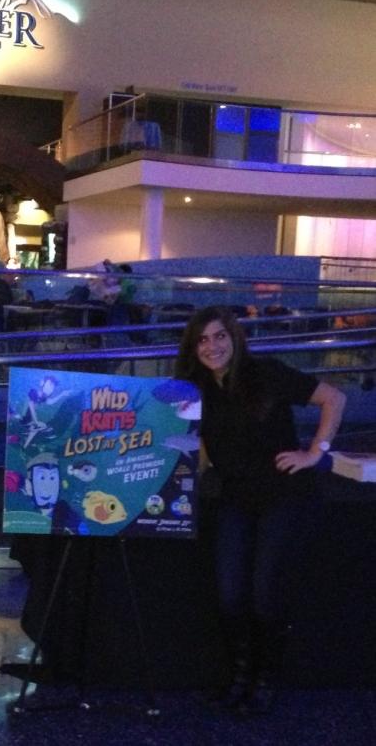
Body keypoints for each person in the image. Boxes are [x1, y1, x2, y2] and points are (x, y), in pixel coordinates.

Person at [175, 306, 346, 714]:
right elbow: (197, 452)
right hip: (236, 498)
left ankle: (264, 683)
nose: (211, 346)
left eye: (219, 336)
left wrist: (314, 453)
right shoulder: (194, 389)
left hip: (285, 495)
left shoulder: (265, 372)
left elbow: (333, 398)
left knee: (264, 595)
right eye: (202, 339)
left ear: (234, 337)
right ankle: (238, 679)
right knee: (231, 595)